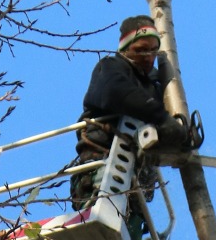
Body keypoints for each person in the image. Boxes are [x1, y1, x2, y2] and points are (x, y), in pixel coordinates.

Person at [71, 15, 194, 209]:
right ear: (125, 48)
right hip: (101, 165)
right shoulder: (110, 69)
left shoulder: (154, 85)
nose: (148, 58)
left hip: (136, 185)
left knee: (131, 225)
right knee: (105, 211)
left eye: (153, 50)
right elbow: (118, 93)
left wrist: (177, 134)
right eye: (141, 51)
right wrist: (161, 118)